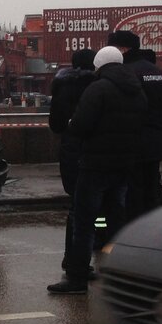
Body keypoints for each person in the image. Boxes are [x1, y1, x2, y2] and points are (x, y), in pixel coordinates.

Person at [49, 46, 146, 295]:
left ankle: (77, 277)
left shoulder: (98, 88)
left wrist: (72, 124)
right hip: (124, 163)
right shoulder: (136, 89)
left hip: (95, 165)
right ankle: (118, 274)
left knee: (84, 221)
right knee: (116, 219)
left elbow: (81, 125)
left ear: (99, 65)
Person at [108, 31, 162, 219]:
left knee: (132, 192)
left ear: (122, 48)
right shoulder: (156, 71)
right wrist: (158, 130)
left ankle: (134, 235)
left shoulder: (123, 72)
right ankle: (156, 233)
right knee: (153, 188)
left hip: (130, 144)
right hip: (154, 143)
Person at [47, 47, 95, 277]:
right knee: (96, 207)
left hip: (70, 151)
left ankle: (72, 257)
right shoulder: (97, 85)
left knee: (76, 207)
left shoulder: (62, 87)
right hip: (93, 152)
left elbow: (55, 125)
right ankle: (88, 255)